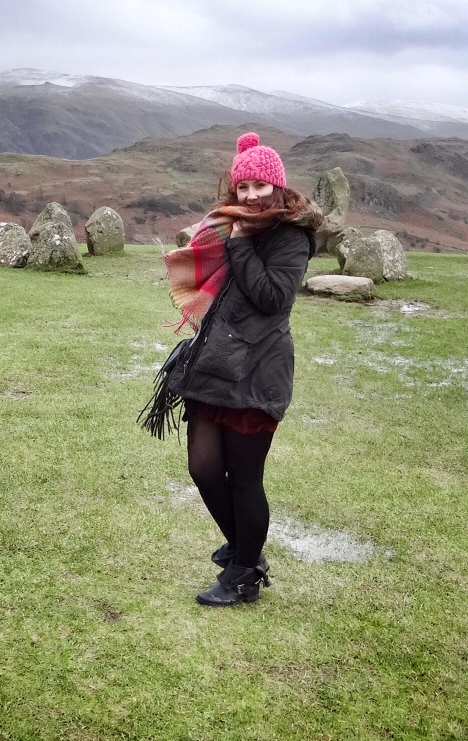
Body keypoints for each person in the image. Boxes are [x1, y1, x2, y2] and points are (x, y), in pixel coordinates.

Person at [164, 132, 322, 606]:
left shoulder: (291, 236)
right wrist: (229, 242)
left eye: (260, 186)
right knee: (203, 467)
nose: (251, 196)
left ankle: (242, 576)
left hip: (258, 370)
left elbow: (273, 298)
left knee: (244, 476)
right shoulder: (231, 226)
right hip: (215, 363)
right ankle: (248, 555)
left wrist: (240, 246)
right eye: (243, 187)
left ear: (277, 186)